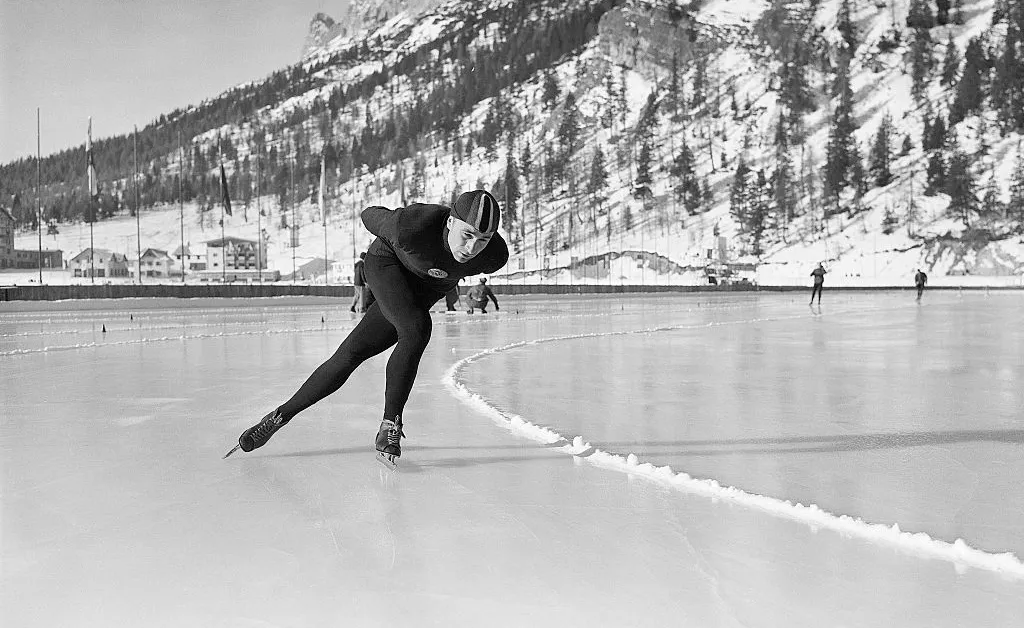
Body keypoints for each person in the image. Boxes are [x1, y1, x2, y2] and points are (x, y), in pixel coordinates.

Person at [225, 190, 508, 466]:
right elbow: (368, 214)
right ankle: (390, 423)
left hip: (420, 291)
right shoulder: (412, 226)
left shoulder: (494, 257)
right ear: (450, 222)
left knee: (350, 354)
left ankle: (278, 417)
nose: (472, 248)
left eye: (482, 240)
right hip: (387, 267)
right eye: (467, 235)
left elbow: (463, 259)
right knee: (417, 328)